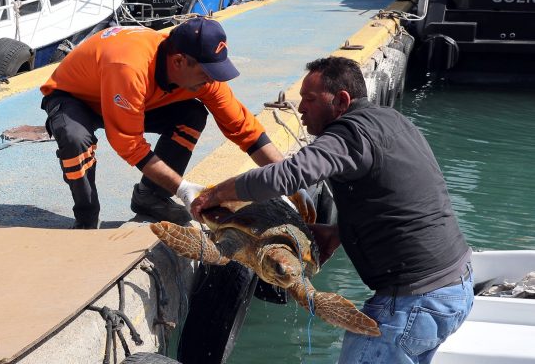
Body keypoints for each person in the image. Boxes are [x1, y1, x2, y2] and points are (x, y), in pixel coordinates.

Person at [191, 56, 474, 363]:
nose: (301, 110)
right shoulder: (392, 121)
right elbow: (403, 199)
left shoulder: (348, 134)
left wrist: (215, 193)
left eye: (310, 100)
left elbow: (286, 175)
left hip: (412, 301)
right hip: (455, 286)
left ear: (341, 101)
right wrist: (342, 232)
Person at [40, 18, 310, 229]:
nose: (211, 81)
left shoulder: (199, 77)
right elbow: (128, 143)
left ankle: (151, 195)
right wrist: (182, 188)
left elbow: (242, 128)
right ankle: (86, 216)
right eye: (206, 74)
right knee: (75, 138)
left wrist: (288, 179)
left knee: (191, 115)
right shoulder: (130, 67)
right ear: (179, 62)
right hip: (75, 97)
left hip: (132, 99)